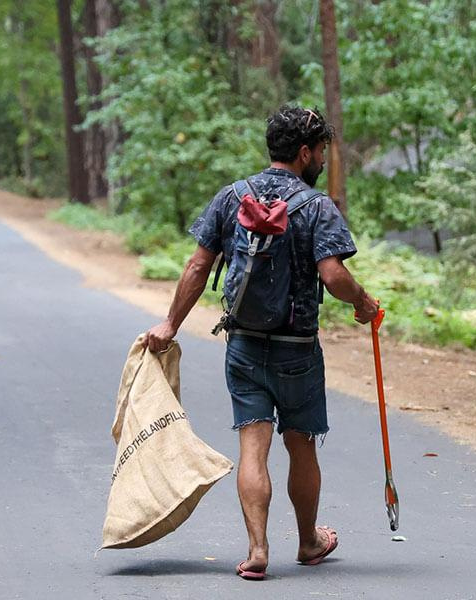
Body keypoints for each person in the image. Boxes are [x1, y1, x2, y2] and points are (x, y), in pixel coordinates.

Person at [144, 105, 379, 581]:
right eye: (320, 153)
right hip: (297, 348)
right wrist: (364, 302)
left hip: (245, 345)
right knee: (301, 445)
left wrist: (170, 323)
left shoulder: (232, 197)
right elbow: (332, 275)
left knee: (253, 446)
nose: (320, 162)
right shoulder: (315, 207)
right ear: (305, 152)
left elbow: (197, 266)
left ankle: (257, 549)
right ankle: (310, 540)